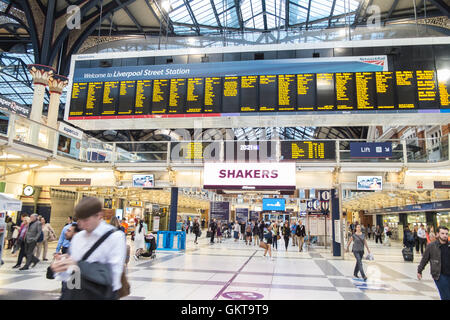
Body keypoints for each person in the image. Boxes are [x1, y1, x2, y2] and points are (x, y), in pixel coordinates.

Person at [51, 197, 126, 300]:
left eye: (86, 220)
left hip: (101, 294)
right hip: (76, 293)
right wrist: (61, 267)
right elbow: (72, 275)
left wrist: (78, 265)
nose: (81, 224)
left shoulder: (115, 237)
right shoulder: (78, 237)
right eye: (79, 220)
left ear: (99, 215)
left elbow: (113, 276)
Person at [417, 226, 450, 300]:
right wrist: (419, 270)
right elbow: (424, 259)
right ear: (437, 234)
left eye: (446, 234)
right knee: (446, 296)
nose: (445, 235)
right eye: (442, 233)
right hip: (440, 275)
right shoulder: (432, 246)